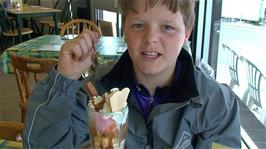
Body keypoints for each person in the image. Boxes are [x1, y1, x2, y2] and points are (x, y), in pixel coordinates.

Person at [23, 0, 241, 148]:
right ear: (124, 30)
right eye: (138, 25)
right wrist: (64, 79)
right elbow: (43, 144)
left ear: (188, 33)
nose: (150, 38)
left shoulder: (217, 104)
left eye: (167, 27)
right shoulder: (96, 92)